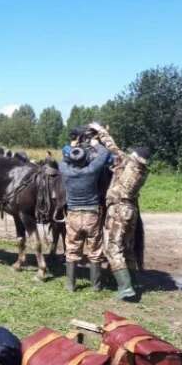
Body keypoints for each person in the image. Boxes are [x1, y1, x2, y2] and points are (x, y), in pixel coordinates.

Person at [87, 122, 150, 301]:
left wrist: (100, 132)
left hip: (119, 210)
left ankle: (125, 287)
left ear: (135, 156)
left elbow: (112, 147)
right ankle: (133, 281)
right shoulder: (141, 170)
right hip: (131, 209)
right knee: (127, 248)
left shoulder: (128, 162)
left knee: (112, 247)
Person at [58, 135, 110, 292]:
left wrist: (71, 146)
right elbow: (105, 154)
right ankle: (96, 286)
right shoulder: (92, 170)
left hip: (73, 215)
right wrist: (96, 144)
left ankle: (70, 285)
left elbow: (63, 160)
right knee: (94, 251)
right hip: (92, 215)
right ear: (86, 159)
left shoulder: (65, 171)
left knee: (72, 249)